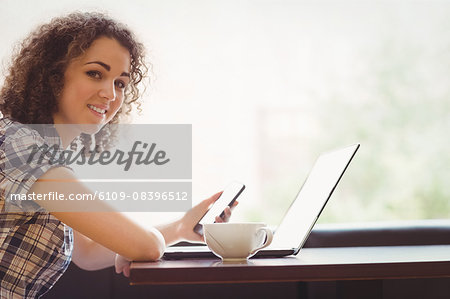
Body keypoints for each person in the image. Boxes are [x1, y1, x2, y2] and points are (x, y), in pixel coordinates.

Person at [0, 12, 234, 298]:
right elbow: (145, 246)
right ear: (52, 75)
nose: (110, 94)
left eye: (120, 83)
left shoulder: (43, 151)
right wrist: (139, 244)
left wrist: (180, 228)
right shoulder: (19, 147)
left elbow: (86, 251)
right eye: (95, 73)